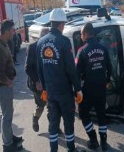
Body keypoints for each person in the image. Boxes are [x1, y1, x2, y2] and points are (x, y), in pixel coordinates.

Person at [36, 8, 82, 152]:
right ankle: (71, 149)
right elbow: (70, 69)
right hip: (64, 91)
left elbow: (40, 69)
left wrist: (44, 88)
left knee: (53, 122)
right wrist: (78, 88)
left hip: (50, 91)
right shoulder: (64, 42)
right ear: (61, 24)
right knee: (68, 121)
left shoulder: (40, 42)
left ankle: (53, 149)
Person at [0, 20, 23, 151]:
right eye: (13, 30)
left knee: (8, 114)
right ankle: (7, 145)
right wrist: (8, 82)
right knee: (7, 115)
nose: (14, 32)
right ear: (6, 31)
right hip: (1, 87)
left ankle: (9, 136)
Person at [76, 22, 112, 151]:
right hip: (101, 87)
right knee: (101, 114)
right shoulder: (103, 48)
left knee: (83, 113)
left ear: (86, 34)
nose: (81, 37)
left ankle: (92, 139)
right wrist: (106, 81)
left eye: (81, 34)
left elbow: (76, 72)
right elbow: (110, 68)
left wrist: (77, 89)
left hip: (88, 89)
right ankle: (104, 142)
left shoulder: (82, 51)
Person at [25, 27, 49, 132]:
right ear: (42, 36)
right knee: (41, 105)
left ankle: (54, 126)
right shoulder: (32, 47)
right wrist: (37, 81)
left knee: (52, 105)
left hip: (48, 82)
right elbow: (28, 68)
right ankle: (35, 118)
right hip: (37, 84)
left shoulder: (48, 47)